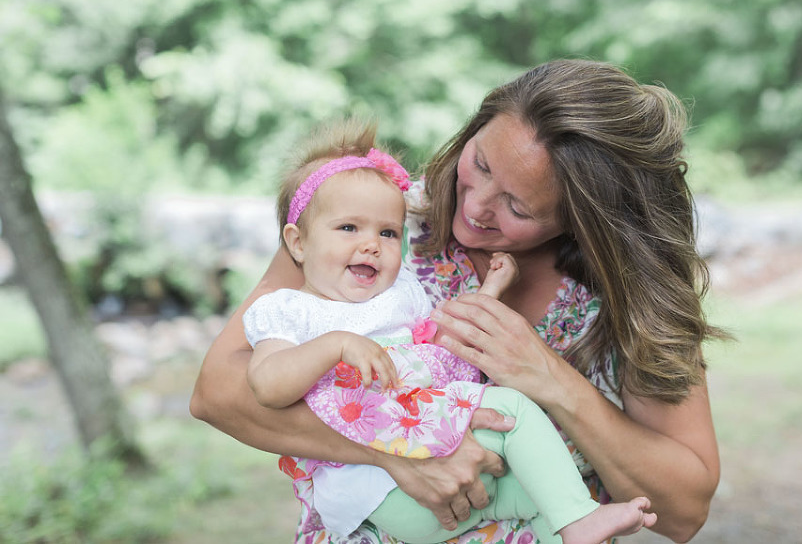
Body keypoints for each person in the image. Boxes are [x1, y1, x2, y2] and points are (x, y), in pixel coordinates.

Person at [191, 59, 724, 544]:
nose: (475, 205)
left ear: (583, 220)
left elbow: (684, 510)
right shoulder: (370, 219)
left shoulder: (623, 298)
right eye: (483, 164)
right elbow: (218, 393)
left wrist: (552, 380)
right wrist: (396, 452)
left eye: (516, 205)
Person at [242, 120, 656, 543]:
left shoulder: (398, 296)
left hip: (449, 459)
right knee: (512, 416)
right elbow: (267, 385)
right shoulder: (287, 309)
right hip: (381, 490)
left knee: (535, 478)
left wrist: (491, 290)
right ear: (297, 243)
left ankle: (575, 520)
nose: (371, 244)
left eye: (387, 233)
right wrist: (336, 346)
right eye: (349, 228)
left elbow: (443, 347)